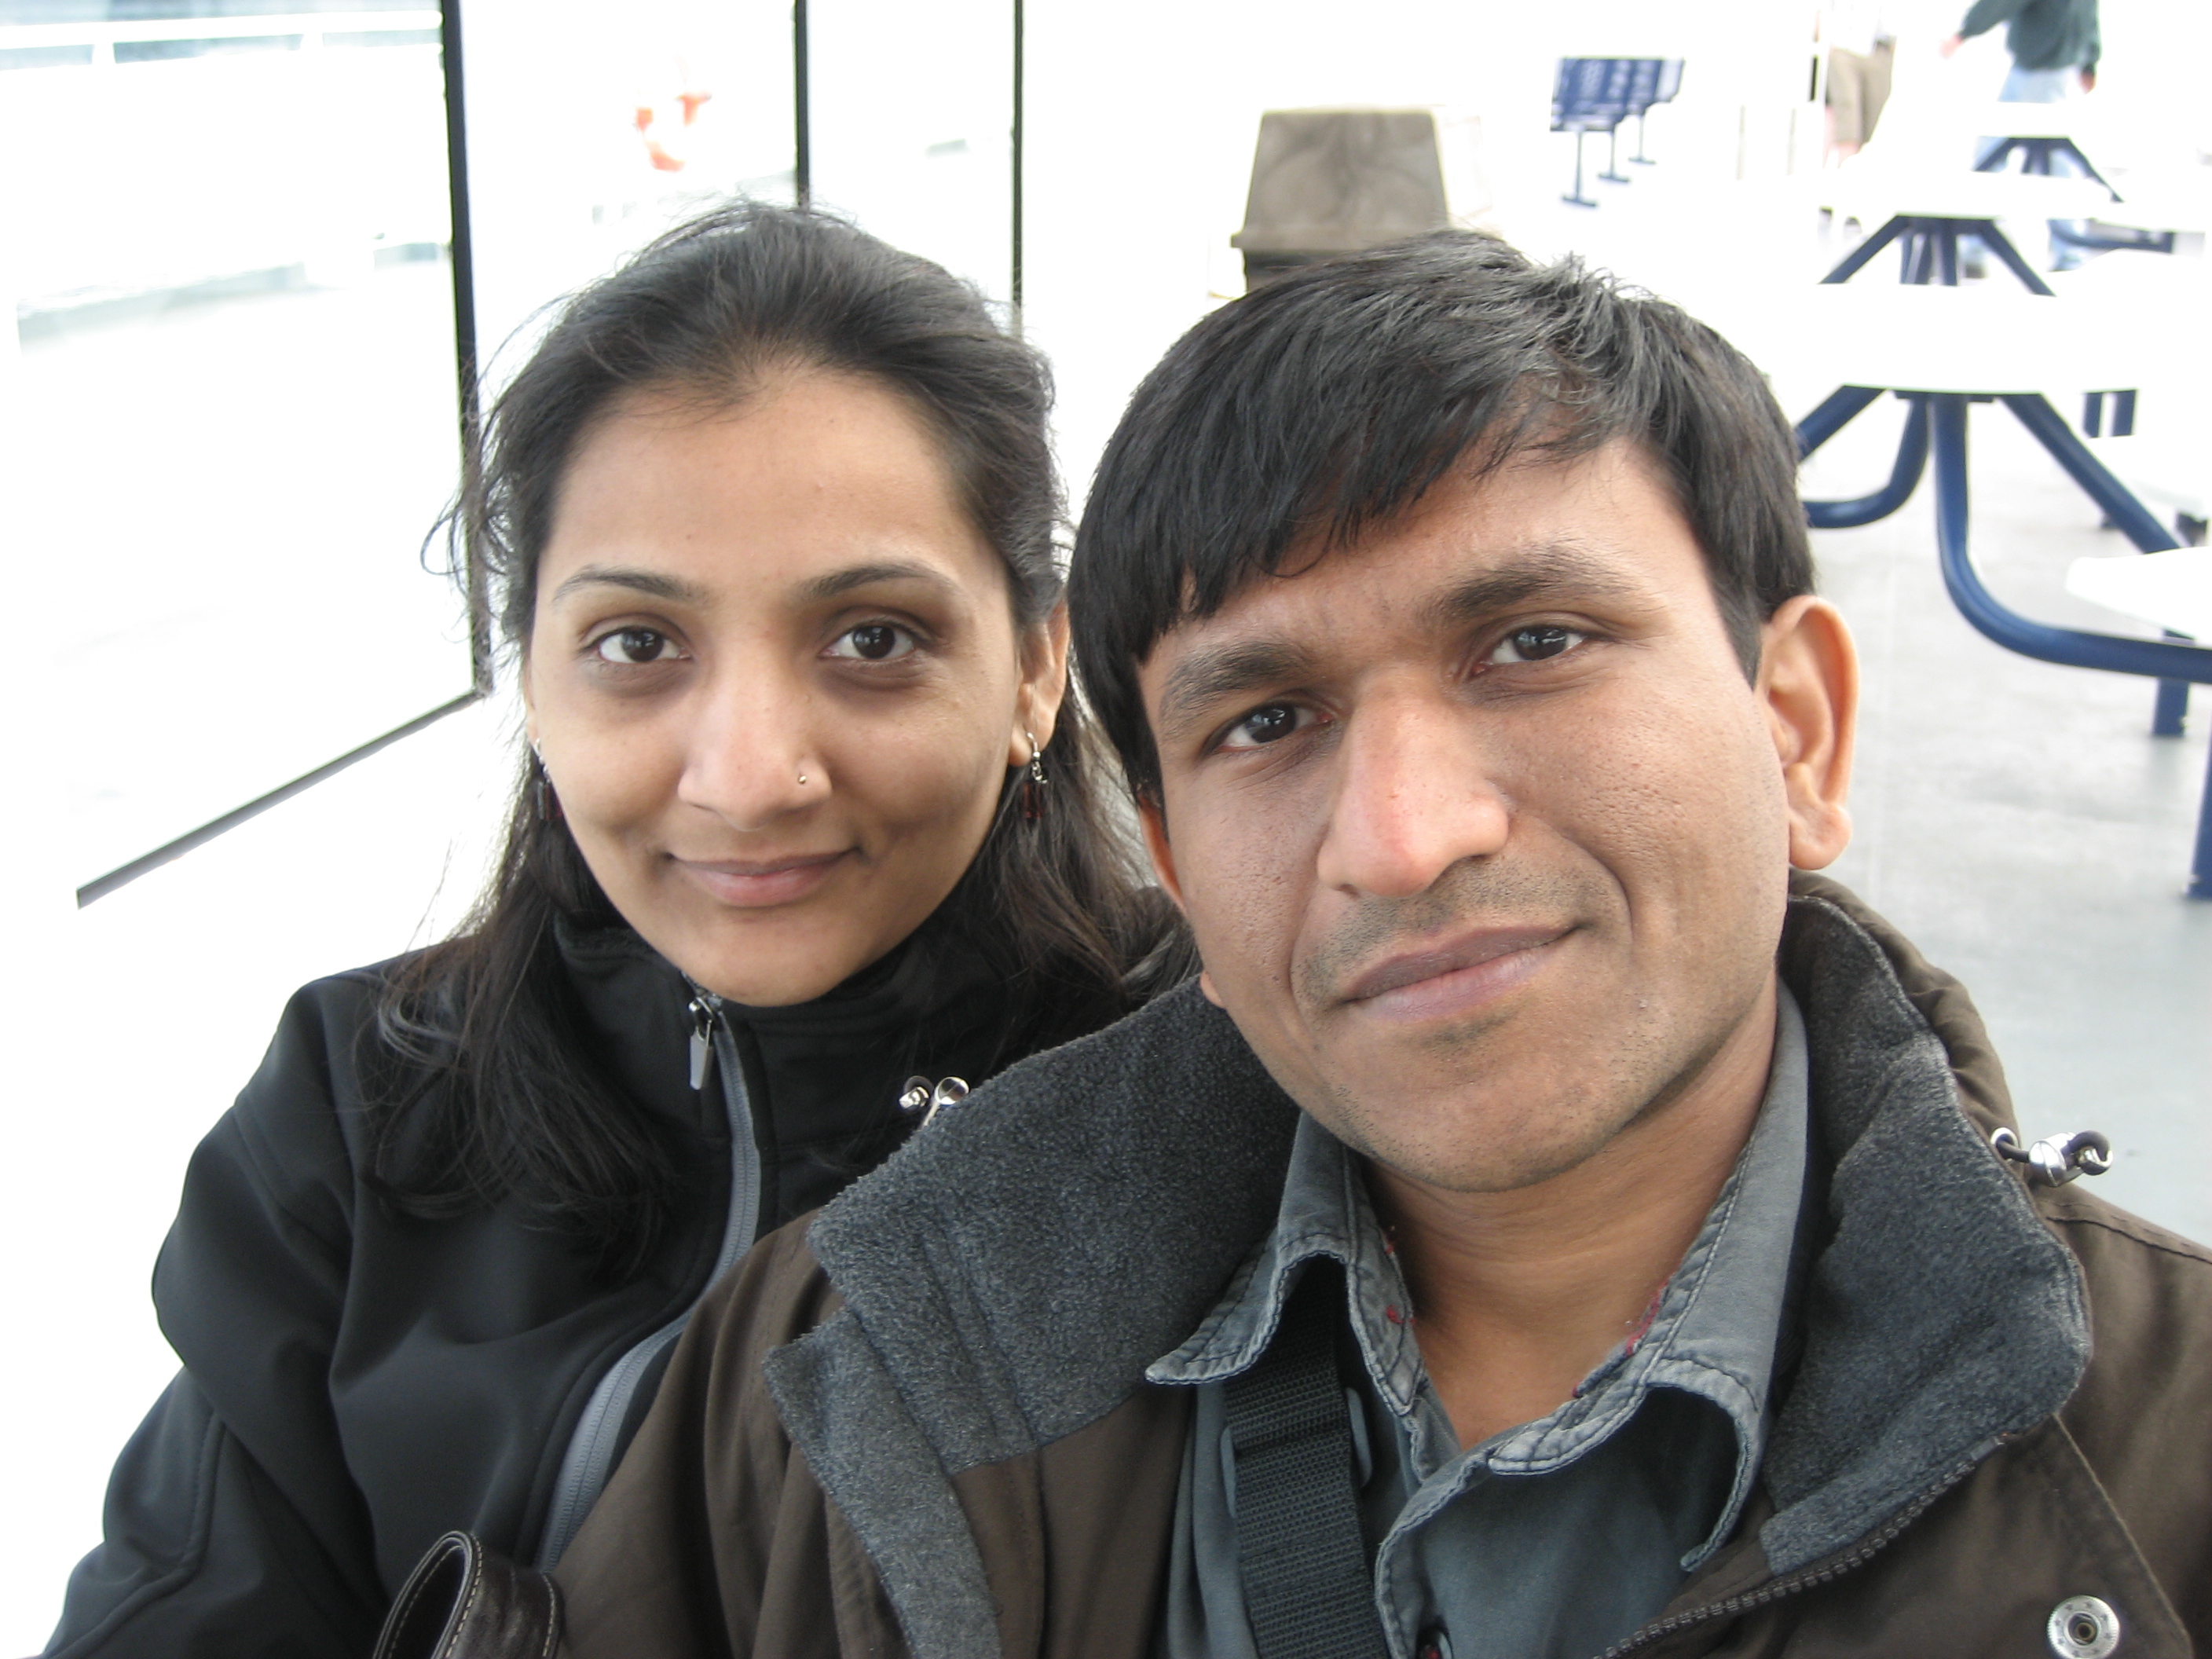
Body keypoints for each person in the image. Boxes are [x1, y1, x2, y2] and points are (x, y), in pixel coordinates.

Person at [380, 233, 2212, 1659]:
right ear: (1174, 864)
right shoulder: (851, 1365)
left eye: (1534, 645)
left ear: (1794, 730)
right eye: (1264, 721)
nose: (1403, 837)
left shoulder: (2161, 1463)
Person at [45, 202, 1188, 1657]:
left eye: (874, 638)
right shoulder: (362, 1108)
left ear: (1034, 667)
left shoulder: (1208, 1099)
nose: (750, 777)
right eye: (638, 645)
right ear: (531, 673)